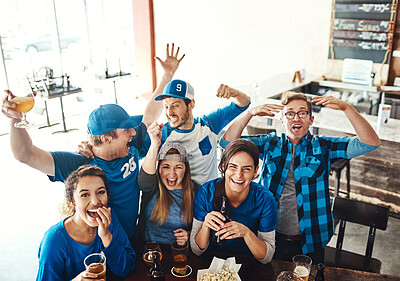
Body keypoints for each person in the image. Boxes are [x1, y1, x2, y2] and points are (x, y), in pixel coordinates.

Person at [1, 43, 185, 240]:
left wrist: (167, 75)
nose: (133, 132)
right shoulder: (80, 165)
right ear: (106, 138)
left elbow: (148, 116)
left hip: (133, 237)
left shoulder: (129, 145)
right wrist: (15, 119)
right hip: (100, 245)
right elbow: (25, 154)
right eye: (126, 130)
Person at [221, 92, 381, 264]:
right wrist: (249, 113)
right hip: (268, 235)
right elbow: (227, 143)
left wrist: (346, 108)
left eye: (302, 113)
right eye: (289, 113)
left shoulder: (323, 146)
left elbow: (370, 142)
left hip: (312, 240)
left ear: (310, 120)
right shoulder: (270, 143)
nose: (296, 117)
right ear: (282, 120)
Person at [36, 165, 136, 281]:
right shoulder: (54, 240)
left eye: (100, 192)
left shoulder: (109, 217)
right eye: (84, 195)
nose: (95, 201)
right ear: (72, 201)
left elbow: (126, 268)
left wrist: (106, 235)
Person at [144, 79, 251, 187]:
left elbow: (243, 103)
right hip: (178, 199)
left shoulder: (209, 124)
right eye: (166, 106)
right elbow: (142, 172)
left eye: (175, 106)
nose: (169, 112)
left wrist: (234, 93)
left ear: (191, 104)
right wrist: (153, 145)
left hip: (209, 198)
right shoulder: (160, 134)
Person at [190, 139, 277, 264]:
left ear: (255, 171)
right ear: (224, 166)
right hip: (210, 263)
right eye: (233, 167)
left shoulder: (265, 199)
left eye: (246, 169)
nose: (238, 175)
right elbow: (196, 250)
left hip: (248, 264)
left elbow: (267, 257)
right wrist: (205, 225)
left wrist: (246, 233)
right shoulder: (205, 192)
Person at [135, 122, 196, 245]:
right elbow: (143, 181)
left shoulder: (196, 191)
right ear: (158, 169)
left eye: (178, 167)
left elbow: (203, 229)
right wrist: (155, 144)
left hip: (179, 253)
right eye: (166, 167)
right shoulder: (153, 186)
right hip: (148, 251)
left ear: (186, 169)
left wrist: (190, 236)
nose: (172, 174)